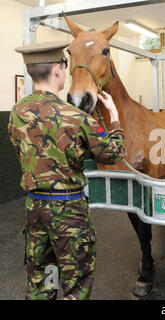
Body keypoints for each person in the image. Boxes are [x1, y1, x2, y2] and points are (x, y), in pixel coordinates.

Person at [9, 41, 126, 300]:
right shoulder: (76, 117)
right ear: (58, 70)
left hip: (34, 209)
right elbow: (113, 153)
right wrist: (114, 118)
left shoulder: (17, 112)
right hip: (69, 212)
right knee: (76, 281)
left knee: (42, 279)